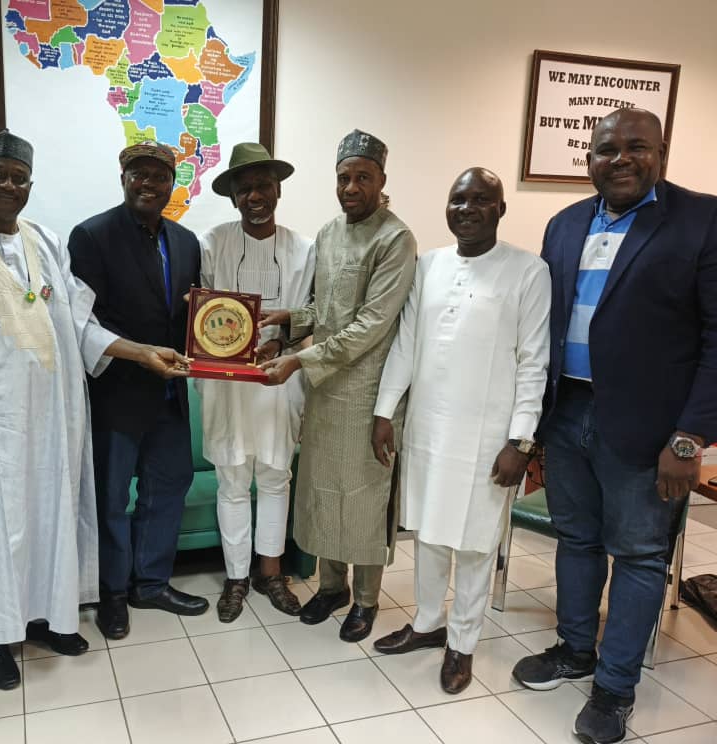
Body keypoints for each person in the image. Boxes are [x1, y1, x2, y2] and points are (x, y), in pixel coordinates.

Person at [0, 131, 189, 691]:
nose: (7, 185)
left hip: (50, 419)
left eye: (18, 177)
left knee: (50, 518)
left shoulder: (43, 241)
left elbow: (77, 322)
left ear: (29, 187)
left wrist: (140, 351)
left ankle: (47, 619)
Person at [511, 108, 717, 744]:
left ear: (662, 151)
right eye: (607, 150)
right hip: (568, 412)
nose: (620, 159)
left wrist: (690, 438)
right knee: (575, 539)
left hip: (651, 431)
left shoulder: (701, 219)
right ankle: (575, 649)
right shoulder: (566, 223)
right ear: (589, 157)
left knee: (638, 556)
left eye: (637, 148)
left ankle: (614, 687)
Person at [371, 168, 551, 694]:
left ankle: (463, 643)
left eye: (480, 199)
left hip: (487, 437)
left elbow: (533, 362)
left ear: (500, 209)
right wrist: (385, 412)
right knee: (427, 532)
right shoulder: (428, 265)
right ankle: (428, 624)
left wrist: (521, 440)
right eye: (457, 199)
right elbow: (405, 343)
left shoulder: (527, 271)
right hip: (428, 427)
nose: (467, 208)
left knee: (474, 543)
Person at [260, 129, 417, 643]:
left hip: (370, 391)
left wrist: (299, 359)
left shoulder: (395, 238)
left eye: (362, 178)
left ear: (381, 181)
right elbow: (325, 312)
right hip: (325, 389)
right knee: (325, 491)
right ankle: (332, 587)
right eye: (344, 178)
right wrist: (287, 324)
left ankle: (368, 600)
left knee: (364, 495)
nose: (352, 187)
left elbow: (371, 324)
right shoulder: (328, 233)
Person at [68, 140, 207, 640]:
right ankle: (111, 593)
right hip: (117, 393)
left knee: (168, 487)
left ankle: (152, 582)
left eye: (159, 176)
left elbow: (196, 317)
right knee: (110, 498)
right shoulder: (91, 236)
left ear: (173, 183)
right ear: (123, 177)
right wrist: (140, 353)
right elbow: (82, 321)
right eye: (138, 174)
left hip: (172, 395)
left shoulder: (188, 241)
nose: (148, 184)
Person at [198, 142, 315, 622]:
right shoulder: (213, 243)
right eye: (244, 189)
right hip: (226, 383)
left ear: (278, 189)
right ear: (232, 198)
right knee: (231, 479)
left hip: (279, 380)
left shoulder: (304, 248)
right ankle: (236, 577)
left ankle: (271, 573)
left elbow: (314, 314)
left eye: (263, 186)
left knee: (275, 477)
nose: (254, 196)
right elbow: (204, 310)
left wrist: (280, 338)